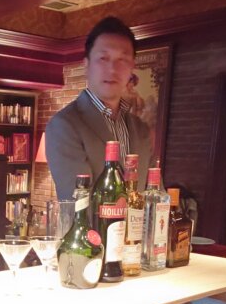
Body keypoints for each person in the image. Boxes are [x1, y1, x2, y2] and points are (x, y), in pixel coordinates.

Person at [45, 17, 153, 200]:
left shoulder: (141, 130)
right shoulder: (65, 125)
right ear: (86, 65)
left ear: (132, 68)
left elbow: (153, 194)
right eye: (103, 58)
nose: (112, 69)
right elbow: (78, 204)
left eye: (122, 59)